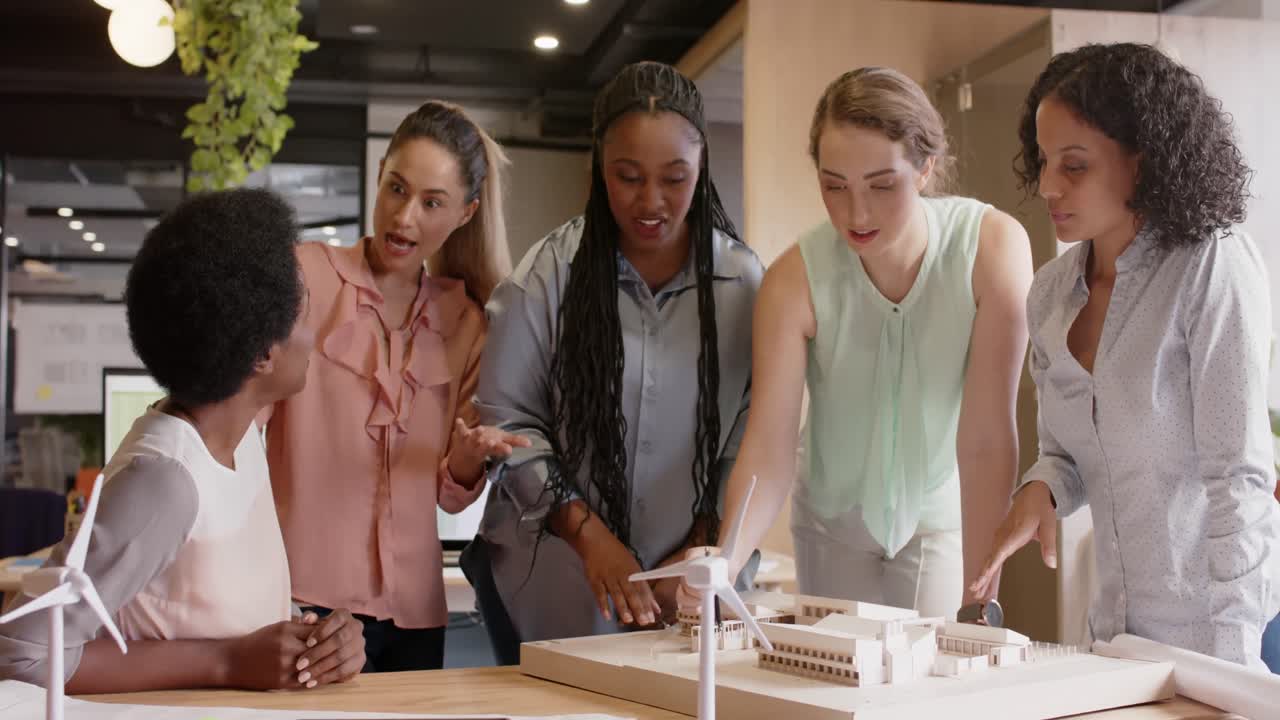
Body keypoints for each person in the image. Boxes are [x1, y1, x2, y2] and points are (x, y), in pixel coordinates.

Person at [970, 43, 1280, 671]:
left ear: (1144, 161)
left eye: (1075, 166)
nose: (1049, 186)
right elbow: (1068, 454)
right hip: (1118, 636)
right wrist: (1043, 491)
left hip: (1226, 637)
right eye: (1045, 160)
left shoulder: (1210, 266)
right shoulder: (1052, 293)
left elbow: (1239, 481)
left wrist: (1235, 666)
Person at [0, 188, 365, 692]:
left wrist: (314, 638)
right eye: (302, 307)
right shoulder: (165, 481)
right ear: (262, 352)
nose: (316, 323)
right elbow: (21, 655)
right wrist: (227, 664)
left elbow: (217, 611)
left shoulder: (242, 438)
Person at [700, 67, 1032, 620]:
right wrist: (727, 560)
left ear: (927, 168)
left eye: (882, 185)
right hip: (831, 524)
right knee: (837, 689)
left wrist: (981, 594)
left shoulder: (991, 250)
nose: (856, 214)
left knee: (931, 692)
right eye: (834, 186)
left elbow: (987, 438)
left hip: (940, 518)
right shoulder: (793, 279)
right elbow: (770, 446)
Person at [462, 61, 763, 664]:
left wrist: (707, 546)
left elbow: (752, 439)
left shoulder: (744, 285)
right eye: (627, 177)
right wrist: (591, 538)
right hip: (551, 584)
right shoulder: (546, 277)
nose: (650, 201)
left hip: (692, 589)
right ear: (600, 168)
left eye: (675, 178)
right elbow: (510, 425)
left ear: (701, 169)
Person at [263, 101, 527, 672]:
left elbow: (450, 493)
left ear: (465, 213)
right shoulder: (306, 277)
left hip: (414, 611)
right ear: (380, 174)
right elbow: (243, 421)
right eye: (396, 189)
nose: (405, 218)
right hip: (303, 598)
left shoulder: (467, 322)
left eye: (432, 203)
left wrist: (464, 461)